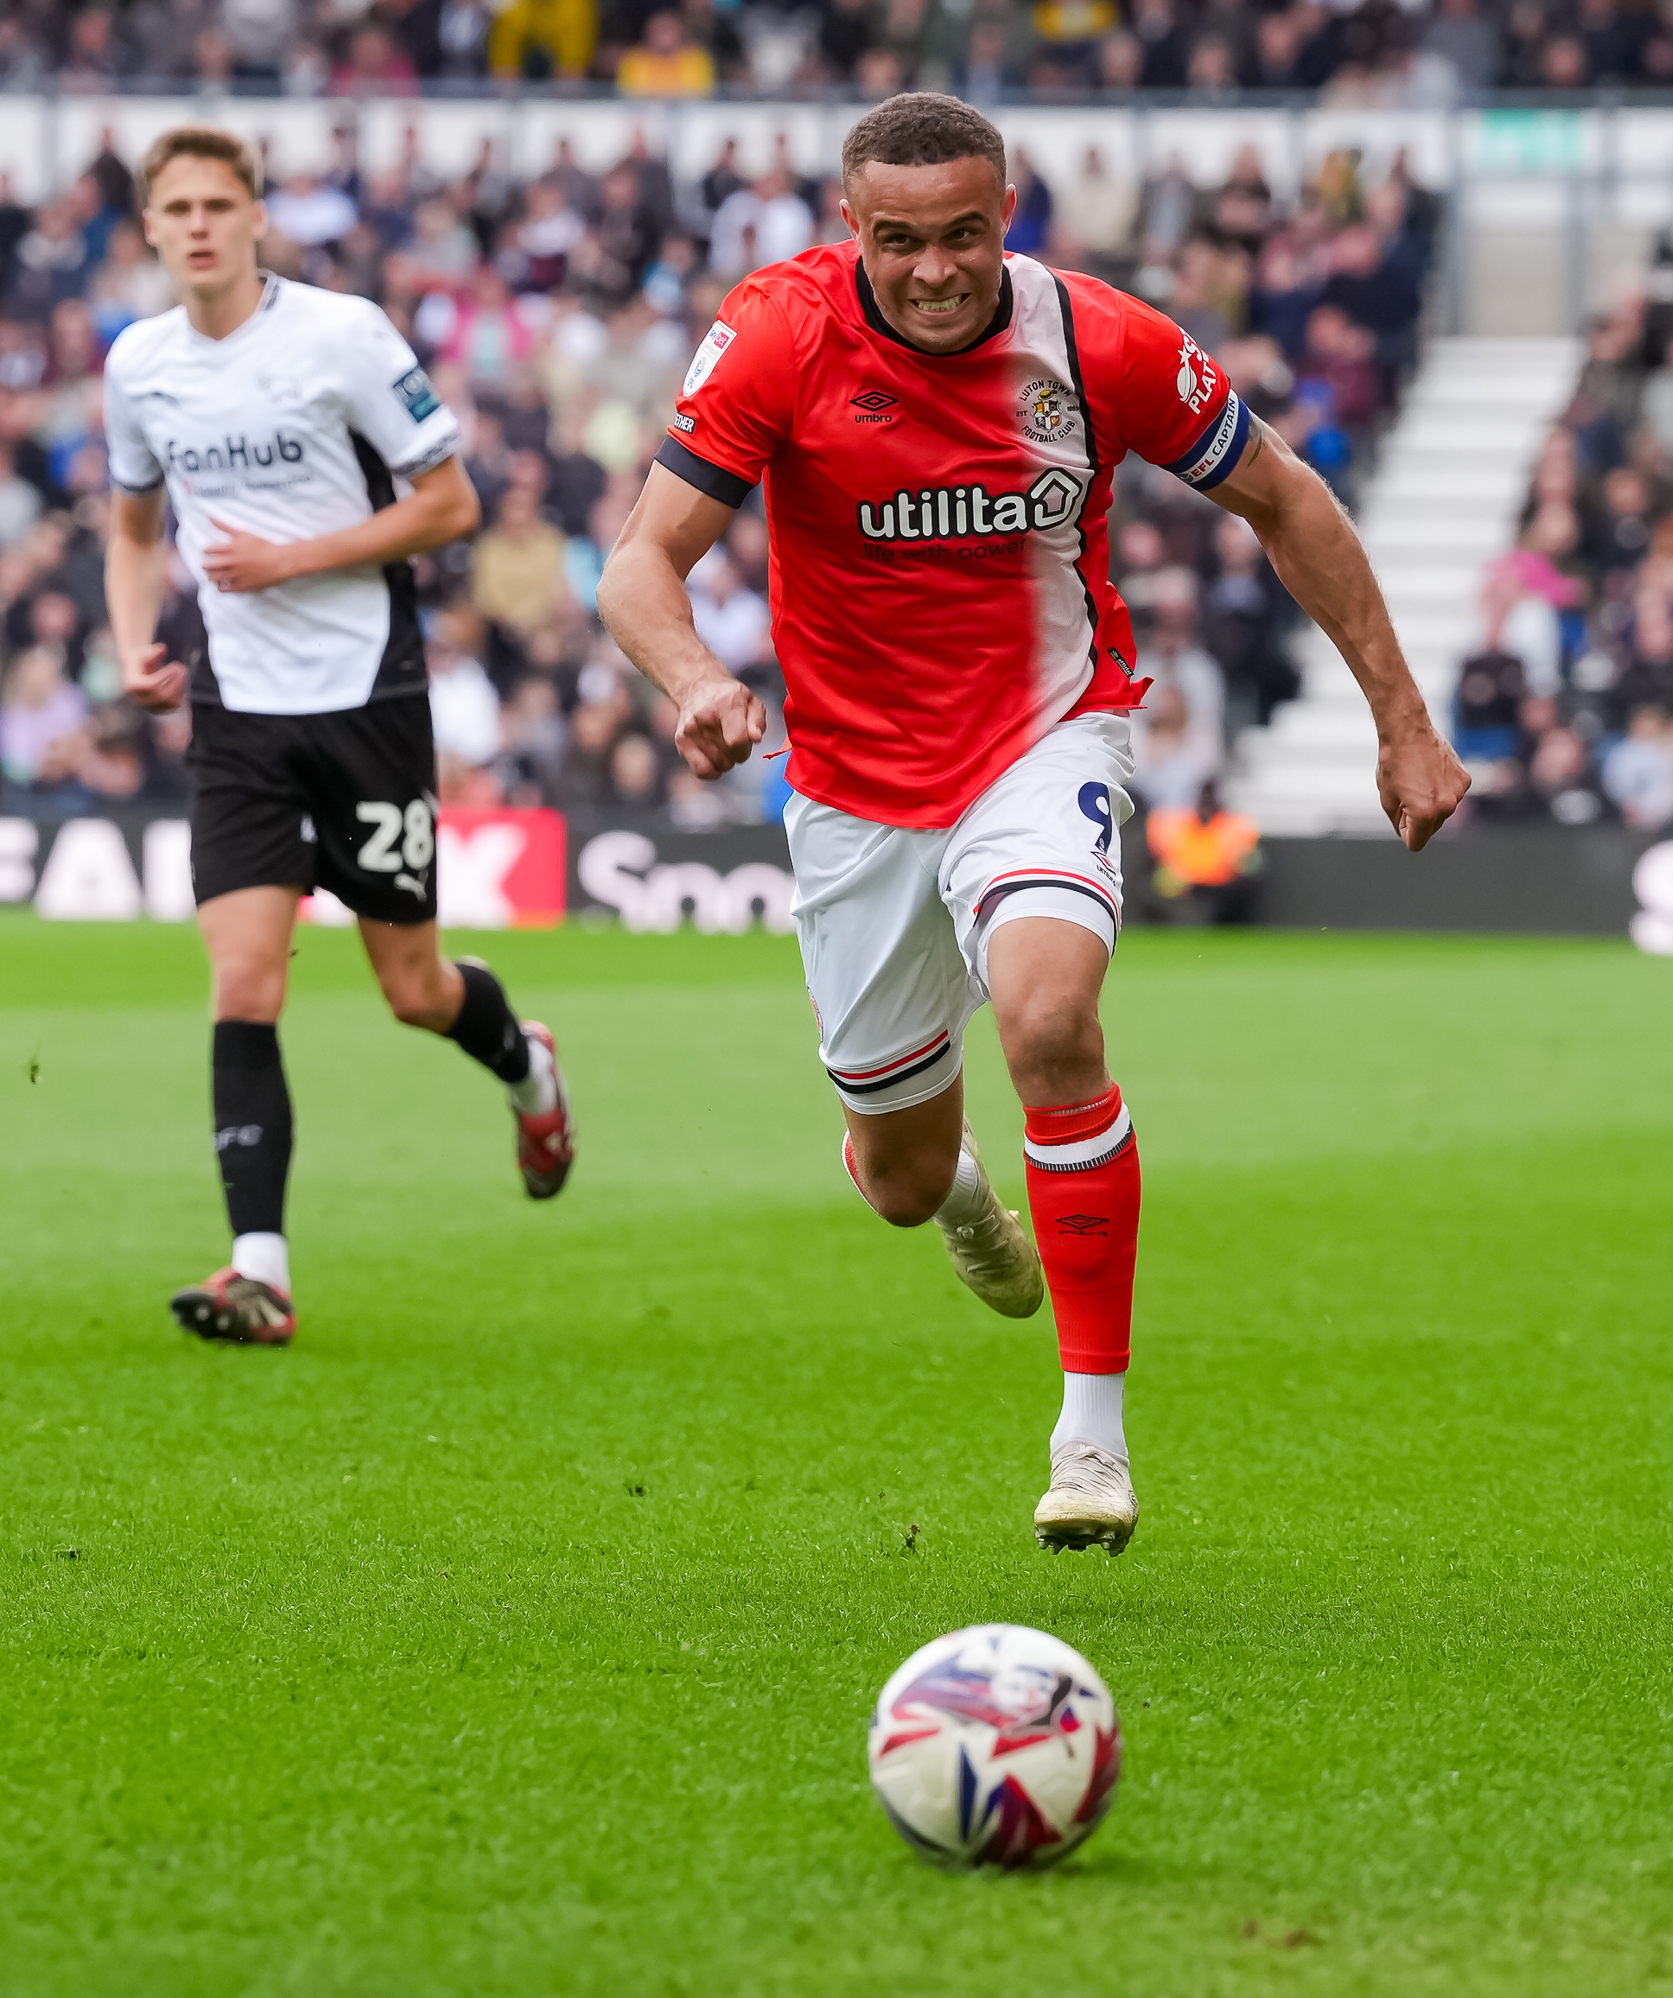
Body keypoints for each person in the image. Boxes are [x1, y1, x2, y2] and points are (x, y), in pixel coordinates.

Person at [597, 94, 1466, 1554]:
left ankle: (1092, 1436)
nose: (933, 269)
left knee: (1052, 1024)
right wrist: (693, 679)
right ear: (847, 225)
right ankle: (958, 1198)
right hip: (856, 791)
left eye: (962, 236)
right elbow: (638, 568)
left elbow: (1287, 498)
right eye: (897, 241)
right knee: (900, 1176)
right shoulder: (777, 335)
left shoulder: (1101, 341)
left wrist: (1401, 716)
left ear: (1007, 217)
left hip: (1043, 733)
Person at [102, 127, 577, 1349]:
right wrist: (128, 642)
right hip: (236, 713)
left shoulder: (343, 335)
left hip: (366, 698)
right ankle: (259, 1271)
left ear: (258, 216)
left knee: (412, 991)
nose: (200, 225)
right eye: (177, 209)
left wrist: (289, 558)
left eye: (221, 203)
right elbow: (134, 523)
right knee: (244, 982)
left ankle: (528, 1068)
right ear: (150, 229)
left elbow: (452, 503)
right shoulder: (139, 365)